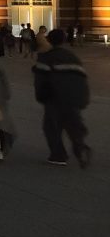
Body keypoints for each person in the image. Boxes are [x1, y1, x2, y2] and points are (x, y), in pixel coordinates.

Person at [34, 29, 92, 168]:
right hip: (74, 98)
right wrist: (82, 97)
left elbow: (40, 80)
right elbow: (82, 78)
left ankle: (58, 155)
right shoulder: (73, 57)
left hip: (54, 98)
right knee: (73, 125)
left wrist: (41, 97)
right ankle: (80, 148)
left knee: (52, 127)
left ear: (49, 40)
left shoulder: (46, 58)